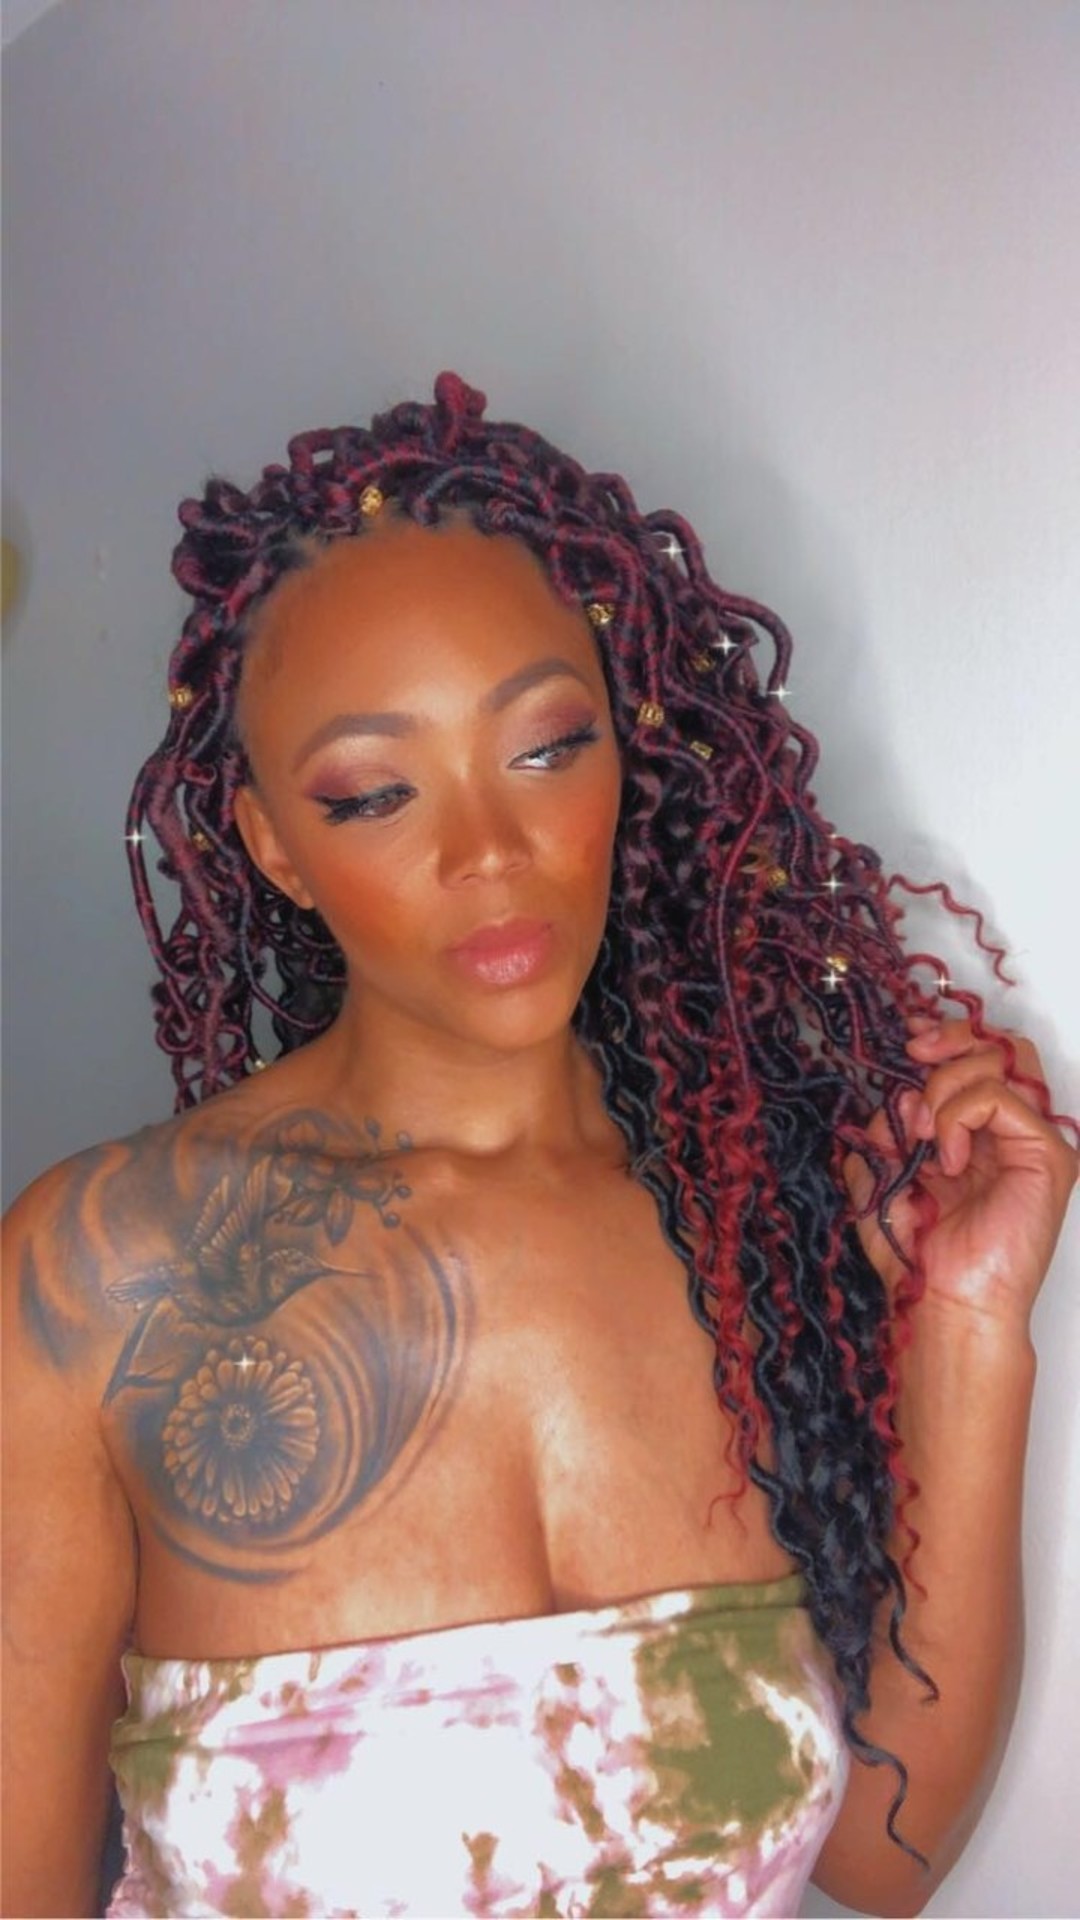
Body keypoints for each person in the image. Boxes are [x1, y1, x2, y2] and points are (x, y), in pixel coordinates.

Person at [2, 372, 1075, 1920]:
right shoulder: (102, 1275)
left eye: (547, 748)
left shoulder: (754, 1223)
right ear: (273, 848)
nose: (488, 852)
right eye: (375, 792)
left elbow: (886, 1859)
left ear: (630, 753)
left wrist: (968, 1324)